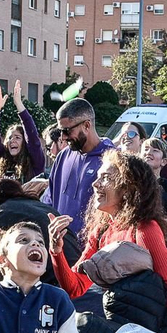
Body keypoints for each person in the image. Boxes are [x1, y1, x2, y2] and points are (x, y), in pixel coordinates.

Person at [51, 150, 167, 309]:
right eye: (98, 177)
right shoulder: (101, 230)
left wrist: (124, 299)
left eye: (105, 178)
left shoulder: (145, 230)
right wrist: (56, 251)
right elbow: (75, 288)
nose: (95, 184)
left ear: (127, 188)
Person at [45, 97, 115, 240]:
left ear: (87, 125)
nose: (63, 137)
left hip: (94, 253)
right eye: (60, 131)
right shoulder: (62, 157)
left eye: (67, 131)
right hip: (60, 250)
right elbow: (49, 201)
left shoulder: (112, 160)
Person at [0, 80, 47, 185]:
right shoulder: (1, 158)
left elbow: (32, 138)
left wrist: (19, 105)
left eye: (17, 137)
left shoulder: (35, 162)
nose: (12, 140)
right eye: (9, 138)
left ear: (25, 142)